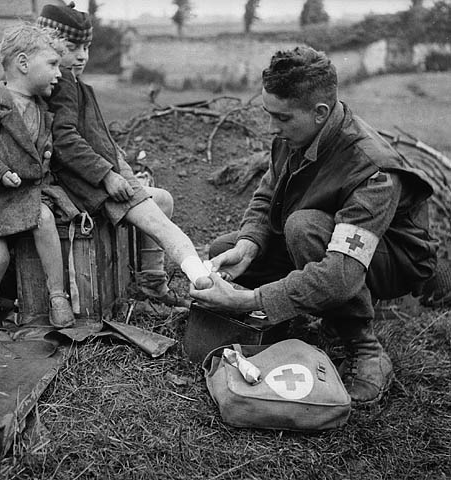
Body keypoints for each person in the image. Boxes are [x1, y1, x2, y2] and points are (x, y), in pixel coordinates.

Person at [191, 46, 438, 405]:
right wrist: (249, 244)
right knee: (223, 250)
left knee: (303, 228)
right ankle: (283, 323)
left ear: (320, 112)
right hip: (323, 241)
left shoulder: (373, 169)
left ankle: (365, 350)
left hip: (390, 259)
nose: (273, 128)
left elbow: (341, 274)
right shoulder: (292, 137)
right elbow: (266, 197)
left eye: (283, 118)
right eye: (268, 114)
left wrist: (248, 300)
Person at [36, 3, 212, 305]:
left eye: (87, 47)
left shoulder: (75, 84)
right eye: (72, 47)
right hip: (88, 186)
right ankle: (202, 281)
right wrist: (107, 175)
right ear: (48, 46)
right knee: (164, 228)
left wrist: (121, 167)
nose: (82, 55)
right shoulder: (62, 83)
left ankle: (152, 282)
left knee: (164, 201)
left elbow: (94, 137)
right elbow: (64, 141)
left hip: (99, 178)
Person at [0, 24, 79, 341]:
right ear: (24, 64)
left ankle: (57, 296)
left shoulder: (43, 111)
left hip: (24, 195)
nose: (59, 74)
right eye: (52, 64)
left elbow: (41, 156)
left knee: (46, 218)